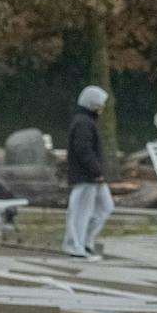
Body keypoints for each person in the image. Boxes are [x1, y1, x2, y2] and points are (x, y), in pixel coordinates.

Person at [63, 83, 112, 259]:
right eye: (101, 104)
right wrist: (96, 170)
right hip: (85, 176)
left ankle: (85, 241)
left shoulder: (87, 122)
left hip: (92, 176)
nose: (103, 108)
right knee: (80, 212)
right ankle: (75, 247)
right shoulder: (83, 123)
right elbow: (83, 149)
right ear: (93, 104)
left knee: (105, 207)